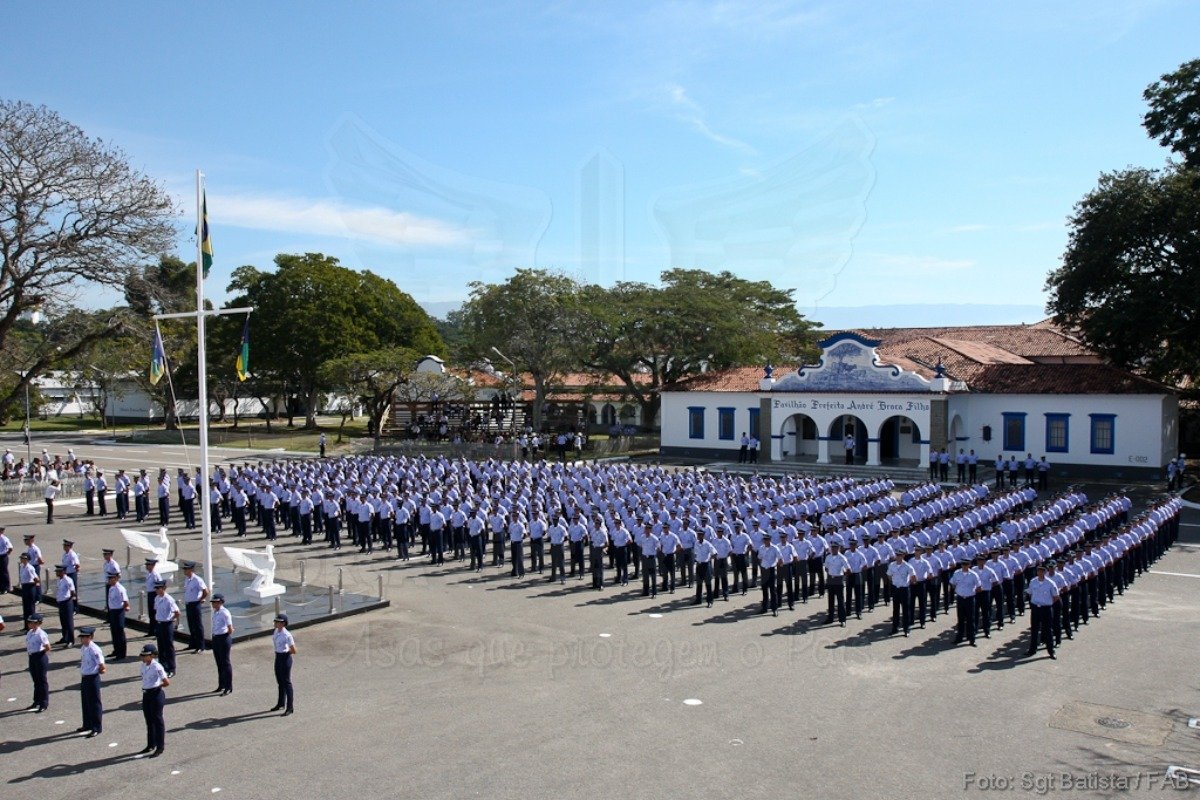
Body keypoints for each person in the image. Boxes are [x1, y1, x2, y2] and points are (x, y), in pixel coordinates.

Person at [138, 643, 169, 757]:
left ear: (152, 656)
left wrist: (158, 687)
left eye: (145, 655)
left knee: (157, 720)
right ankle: (151, 744)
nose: (143, 657)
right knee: (149, 720)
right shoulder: (143, 666)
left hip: (155, 694)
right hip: (146, 694)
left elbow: (166, 682)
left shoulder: (157, 666)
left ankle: (160, 747)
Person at [76, 626, 105, 737]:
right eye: (82, 637)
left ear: (91, 637)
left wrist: (98, 671)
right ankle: (87, 724)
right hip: (85, 677)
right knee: (86, 701)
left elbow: (101, 665)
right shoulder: (84, 648)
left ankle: (96, 727)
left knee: (94, 703)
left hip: (92, 678)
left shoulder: (94, 649)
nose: (83, 639)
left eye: (85, 637)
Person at [1025, 564, 1058, 659]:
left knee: (1048, 630)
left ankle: (1051, 651)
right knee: (1034, 629)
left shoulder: (1050, 583)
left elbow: (1056, 597)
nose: (1040, 572)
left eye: (1042, 571)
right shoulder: (1033, 581)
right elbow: (1030, 593)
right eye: (1039, 570)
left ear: (1045, 572)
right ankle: (1032, 649)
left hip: (1046, 609)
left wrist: (1047, 603)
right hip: (1036, 608)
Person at [152, 580, 180, 677]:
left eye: (158, 588)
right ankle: (162, 666)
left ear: (163, 588)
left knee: (168, 647)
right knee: (161, 646)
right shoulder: (157, 598)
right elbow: (156, 610)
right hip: (159, 623)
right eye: (156, 588)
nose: (156, 590)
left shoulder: (169, 599)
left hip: (167, 624)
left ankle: (171, 668)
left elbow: (177, 612)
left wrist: (171, 619)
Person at [949, 561, 980, 647]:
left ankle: (972, 639)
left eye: (966, 564)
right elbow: (952, 583)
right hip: (960, 598)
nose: (964, 566)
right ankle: (959, 637)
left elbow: (979, 587)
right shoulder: (957, 573)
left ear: (969, 565)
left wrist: (971, 593)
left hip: (970, 599)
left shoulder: (973, 574)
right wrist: (957, 591)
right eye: (963, 564)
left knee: (971, 619)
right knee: (961, 619)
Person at [180, 561, 209, 653]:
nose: (184, 571)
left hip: (195, 604)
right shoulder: (187, 579)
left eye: (186, 569)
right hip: (189, 604)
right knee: (191, 625)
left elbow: (206, 591)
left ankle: (201, 646)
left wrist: (201, 599)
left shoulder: (197, 580)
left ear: (191, 569)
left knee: (197, 626)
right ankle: (192, 644)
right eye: (184, 569)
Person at [886, 551, 916, 636]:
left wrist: (908, 583)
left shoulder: (907, 566)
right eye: (897, 555)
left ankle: (906, 629)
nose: (898, 557)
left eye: (900, 555)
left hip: (904, 589)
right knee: (895, 610)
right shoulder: (892, 565)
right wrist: (893, 582)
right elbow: (888, 575)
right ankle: (895, 628)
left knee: (905, 610)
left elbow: (913, 577)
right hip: (896, 589)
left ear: (903, 556)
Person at [26, 612, 51, 712]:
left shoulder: (41, 634)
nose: (29, 624)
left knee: (42, 681)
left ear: (38, 623)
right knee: (36, 680)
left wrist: (39, 654)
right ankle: (36, 700)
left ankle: (44, 703)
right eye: (29, 622)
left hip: (39, 656)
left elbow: (48, 647)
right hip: (32, 657)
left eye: (32, 622)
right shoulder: (30, 632)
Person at [271, 614, 296, 716]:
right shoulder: (276, 631)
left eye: (278, 622)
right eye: (276, 622)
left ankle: (290, 707)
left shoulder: (287, 635)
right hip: (278, 657)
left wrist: (285, 653)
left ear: (283, 623)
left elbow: (294, 650)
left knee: (286, 682)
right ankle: (281, 703)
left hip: (285, 658)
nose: (276, 623)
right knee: (280, 681)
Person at [210, 593, 234, 695]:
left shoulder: (225, 613)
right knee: (219, 662)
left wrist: (223, 636)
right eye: (213, 602)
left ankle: (228, 686)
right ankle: (221, 684)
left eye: (215, 602)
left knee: (225, 663)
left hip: (223, 638)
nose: (213, 604)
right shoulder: (215, 612)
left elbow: (230, 629)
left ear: (220, 602)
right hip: (216, 638)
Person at [106, 572, 129, 659]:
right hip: (112, 611)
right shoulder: (111, 588)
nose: (109, 580)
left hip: (118, 611)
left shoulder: (120, 589)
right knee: (114, 632)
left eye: (110, 579)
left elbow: (126, 601)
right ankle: (116, 650)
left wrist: (124, 608)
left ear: (115, 579)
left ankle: (122, 653)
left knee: (119, 632)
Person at [53, 565, 77, 647]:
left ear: (63, 572)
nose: (56, 573)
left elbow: (73, 592)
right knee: (63, 621)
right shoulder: (59, 580)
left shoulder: (68, 580)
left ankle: (71, 640)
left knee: (69, 622)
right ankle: (65, 637)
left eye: (58, 571)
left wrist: (68, 600)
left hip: (67, 602)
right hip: (61, 602)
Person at [18, 552, 39, 630]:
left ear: (26, 559)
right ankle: (26, 626)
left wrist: (34, 585)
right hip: (24, 587)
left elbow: (36, 579)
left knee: (30, 608)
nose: (21, 559)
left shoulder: (30, 568)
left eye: (22, 558)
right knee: (25, 608)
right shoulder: (22, 567)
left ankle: (32, 627)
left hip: (30, 587)